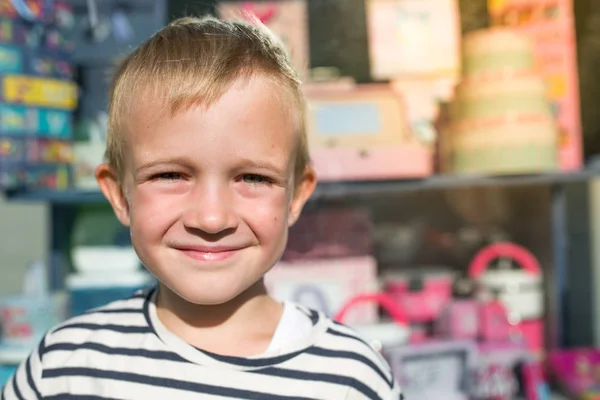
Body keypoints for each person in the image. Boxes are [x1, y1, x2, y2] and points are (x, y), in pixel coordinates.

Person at [2, 16, 402, 399]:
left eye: (253, 178)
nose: (211, 218)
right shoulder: (63, 369)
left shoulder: (351, 378)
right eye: (170, 176)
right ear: (120, 195)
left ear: (295, 195)